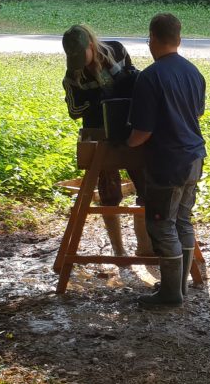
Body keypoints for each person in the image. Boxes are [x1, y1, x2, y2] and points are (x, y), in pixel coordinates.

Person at [127, 12, 206, 309]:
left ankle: (171, 293)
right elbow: (196, 113)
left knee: (161, 224)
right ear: (179, 39)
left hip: (168, 162)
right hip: (194, 156)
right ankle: (178, 284)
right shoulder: (194, 72)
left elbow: (142, 132)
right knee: (183, 220)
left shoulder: (150, 77)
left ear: (152, 39)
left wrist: (126, 143)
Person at [61, 24, 151, 258]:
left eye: (83, 55)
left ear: (91, 44)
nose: (81, 62)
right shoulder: (73, 75)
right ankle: (118, 251)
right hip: (98, 135)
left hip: (128, 130)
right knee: (109, 194)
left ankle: (144, 246)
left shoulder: (117, 51)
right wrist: (96, 98)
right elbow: (73, 110)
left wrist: (124, 81)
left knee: (146, 187)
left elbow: (137, 85)